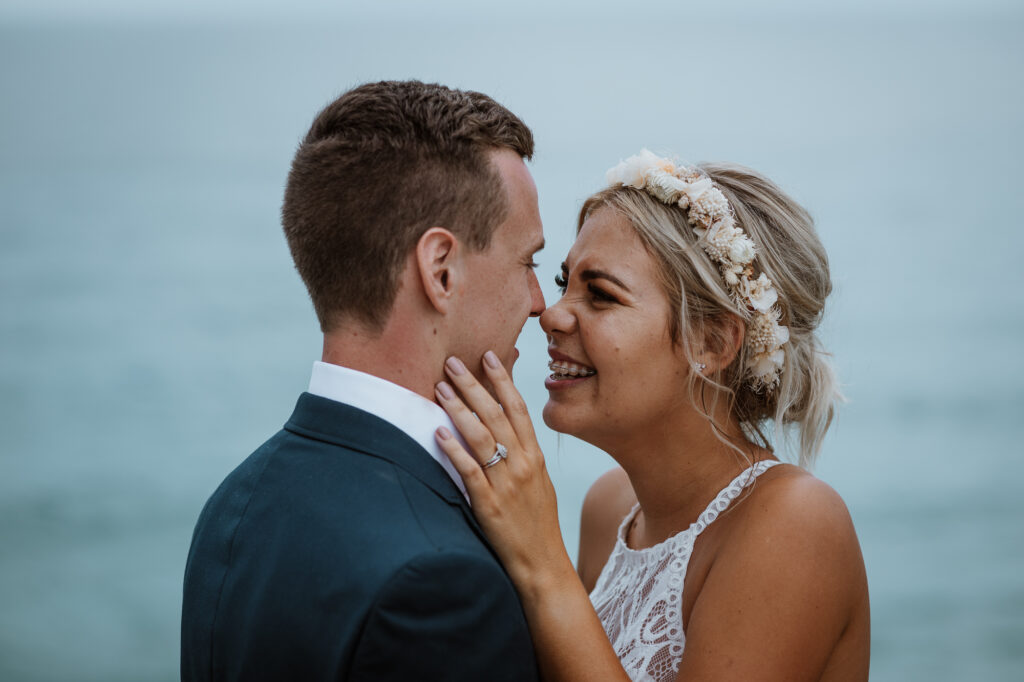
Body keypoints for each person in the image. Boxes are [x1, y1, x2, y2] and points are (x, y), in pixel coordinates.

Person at [432, 150, 871, 681]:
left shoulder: (795, 523)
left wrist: (541, 560)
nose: (550, 315)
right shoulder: (609, 508)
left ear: (710, 341)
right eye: (561, 283)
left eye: (600, 295)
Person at [180, 80, 547, 681]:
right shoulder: (440, 583)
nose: (538, 303)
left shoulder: (235, 502)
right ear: (441, 271)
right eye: (527, 262)